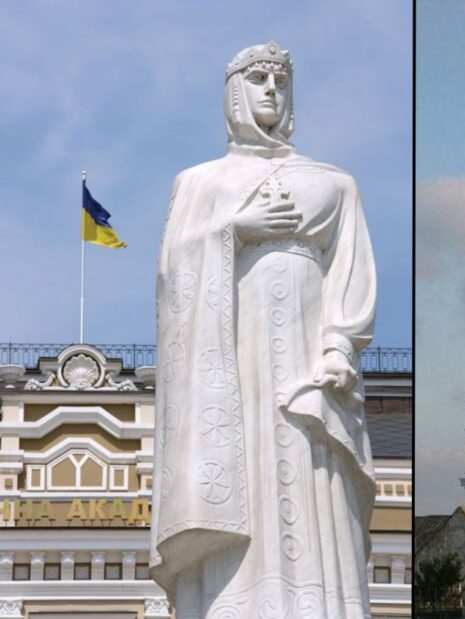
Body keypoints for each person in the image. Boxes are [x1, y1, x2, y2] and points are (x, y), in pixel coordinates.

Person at [151, 41, 376, 618]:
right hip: (231, 363)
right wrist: (234, 228)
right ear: (234, 93)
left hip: (306, 364)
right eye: (257, 78)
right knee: (243, 466)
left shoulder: (334, 184)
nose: (271, 88)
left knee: (306, 462)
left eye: (280, 79)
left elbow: (348, 269)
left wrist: (339, 347)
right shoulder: (200, 183)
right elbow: (173, 274)